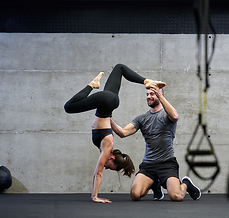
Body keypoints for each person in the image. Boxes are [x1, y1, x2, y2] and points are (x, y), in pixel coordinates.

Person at [64, 64, 166, 203]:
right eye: (110, 166)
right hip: (107, 101)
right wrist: (95, 196)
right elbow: (98, 173)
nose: (106, 167)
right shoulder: (108, 146)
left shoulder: (104, 147)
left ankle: (147, 81)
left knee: (119, 68)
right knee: (68, 107)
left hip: (109, 101)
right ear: (111, 158)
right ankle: (92, 85)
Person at [111, 82, 201, 201]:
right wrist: (107, 117)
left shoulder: (166, 115)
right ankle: (155, 184)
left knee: (176, 196)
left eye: (152, 94)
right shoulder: (141, 119)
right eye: (147, 94)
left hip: (167, 163)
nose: (149, 96)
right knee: (135, 195)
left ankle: (185, 184)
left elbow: (175, 116)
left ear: (160, 95)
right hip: (148, 165)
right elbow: (123, 133)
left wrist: (160, 95)